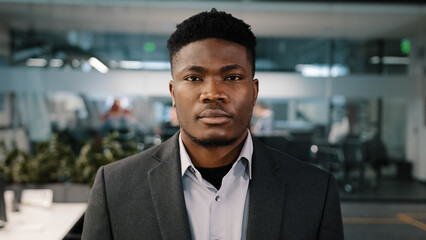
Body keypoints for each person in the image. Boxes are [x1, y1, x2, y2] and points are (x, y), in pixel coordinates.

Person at [82, 9, 344, 240]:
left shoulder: (314, 191)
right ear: (173, 93)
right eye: (194, 77)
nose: (213, 93)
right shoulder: (115, 187)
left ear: (254, 92)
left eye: (232, 76)